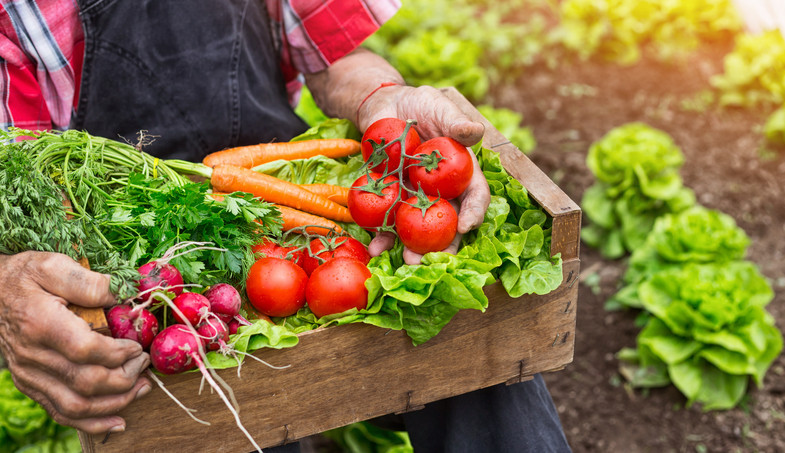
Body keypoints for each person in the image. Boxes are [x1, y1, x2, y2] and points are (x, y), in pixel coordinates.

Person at [0, 1, 571, 451]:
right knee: (213, 411)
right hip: (141, 256)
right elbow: (17, 181)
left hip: (291, 199)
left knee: (477, 341)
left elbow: (333, 48)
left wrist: (384, 98)